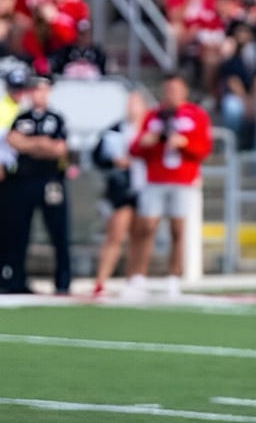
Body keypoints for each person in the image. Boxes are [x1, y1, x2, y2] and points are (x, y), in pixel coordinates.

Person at [126, 72, 212, 298]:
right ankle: (138, 276)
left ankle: (173, 277)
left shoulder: (195, 115)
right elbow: (135, 149)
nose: (171, 94)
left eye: (175, 89)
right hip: (155, 178)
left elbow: (203, 149)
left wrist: (185, 143)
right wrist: (147, 142)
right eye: (168, 90)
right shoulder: (153, 115)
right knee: (147, 227)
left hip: (182, 179)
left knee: (178, 229)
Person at [4, 75, 71, 294]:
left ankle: (62, 280)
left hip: (51, 180)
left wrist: (31, 145)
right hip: (25, 180)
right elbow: (14, 141)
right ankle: (17, 280)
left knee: (59, 230)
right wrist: (41, 143)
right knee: (19, 230)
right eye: (34, 90)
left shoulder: (56, 118)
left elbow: (60, 149)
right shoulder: (22, 118)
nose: (38, 95)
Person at [90, 92, 146, 298]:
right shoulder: (115, 130)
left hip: (145, 187)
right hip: (122, 189)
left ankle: (135, 279)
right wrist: (114, 161)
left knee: (140, 236)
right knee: (115, 234)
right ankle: (100, 281)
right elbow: (97, 156)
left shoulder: (150, 128)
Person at [0, 68, 30, 292]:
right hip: (4, 173)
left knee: (21, 229)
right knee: (3, 228)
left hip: (21, 173)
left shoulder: (25, 110)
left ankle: (17, 277)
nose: (18, 92)